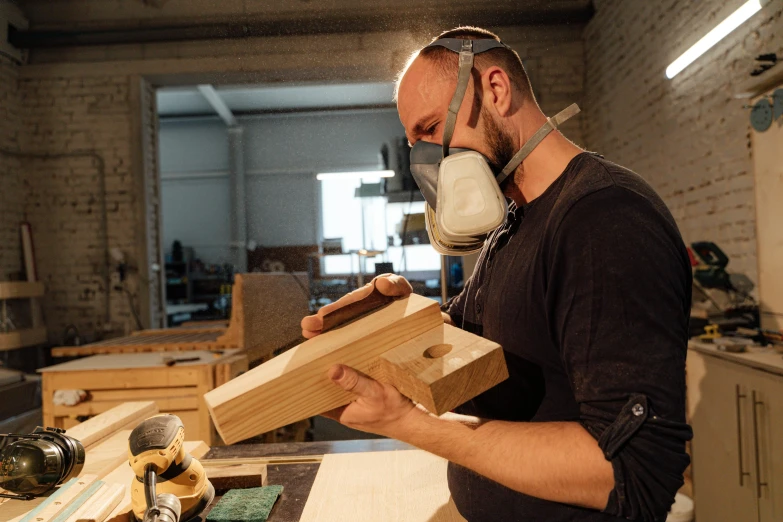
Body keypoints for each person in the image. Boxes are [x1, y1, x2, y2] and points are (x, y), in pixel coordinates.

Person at [301, 26, 692, 522]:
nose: (424, 158)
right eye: (413, 141)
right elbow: (482, 355)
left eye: (427, 130)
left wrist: (408, 424)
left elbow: (628, 473)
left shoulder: (603, 220)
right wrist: (398, 319)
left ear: (496, 90)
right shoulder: (515, 221)